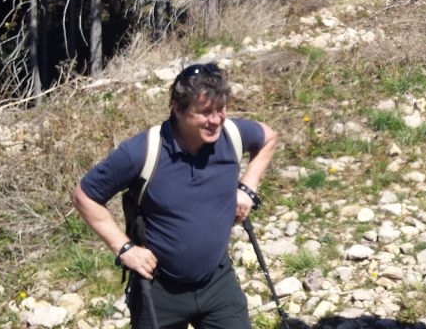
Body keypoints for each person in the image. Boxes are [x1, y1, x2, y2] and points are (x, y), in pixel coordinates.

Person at [72, 62, 277, 329]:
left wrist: (247, 188)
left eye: (220, 109)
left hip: (217, 282)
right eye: (205, 112)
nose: (215, 120)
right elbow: (85, 196)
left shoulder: (232, 135)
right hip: (159, 289)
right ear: (178, 109)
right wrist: (125, 249)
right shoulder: (143, 151)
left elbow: (268, 138)